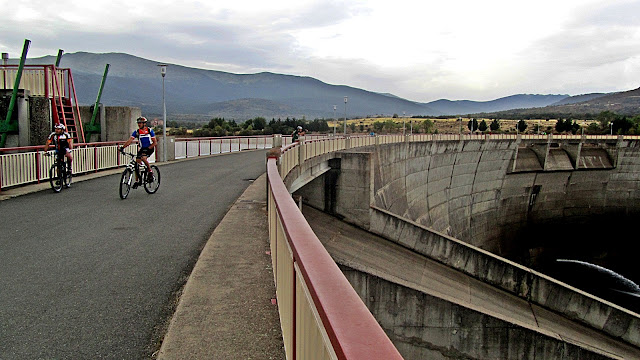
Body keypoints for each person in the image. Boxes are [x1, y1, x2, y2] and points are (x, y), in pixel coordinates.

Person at [120, 117, 157, 188]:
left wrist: (148, 148)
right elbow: (130, 140)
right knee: (137, 163)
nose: (139, 124)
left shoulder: (149, 131)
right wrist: (123, 147)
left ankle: (150, 171)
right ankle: (137, 181)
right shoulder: (137, 132)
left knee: (143, 158)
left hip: (150, 148)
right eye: (138, 123)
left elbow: (155, 143)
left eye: (140, 123)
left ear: (144, 124)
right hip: (142, 149)